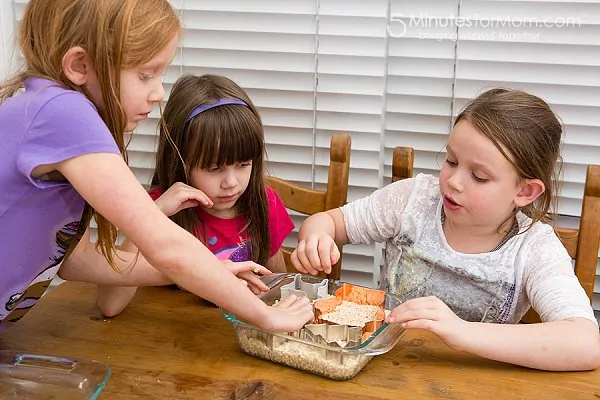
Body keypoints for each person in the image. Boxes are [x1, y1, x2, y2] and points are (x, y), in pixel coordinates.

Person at [0, 0, 313, 333]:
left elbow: (74, 260)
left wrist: (211, 272)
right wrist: (266, 316)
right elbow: (167, 247)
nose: (158, 93)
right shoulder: (63, 113)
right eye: (145, 74)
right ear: (80, 65)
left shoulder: (39, 106)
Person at [290, 88, 600, 371]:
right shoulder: (413, 200)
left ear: (525, 192)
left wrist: (461, 331)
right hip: (385, 367)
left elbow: (585, 343)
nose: (453, 181)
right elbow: (329, 222)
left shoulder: (534, 248)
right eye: (451, 161)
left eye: (478, 176)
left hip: (472, 379)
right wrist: (316, 237)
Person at [77, 74, 295, 316]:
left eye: (243, 164)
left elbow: (275, 289)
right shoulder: (155, 209)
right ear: (179, 161)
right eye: (214, 168)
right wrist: (154, 214)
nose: (231, 183)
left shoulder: (265, 204)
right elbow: (110, 304)